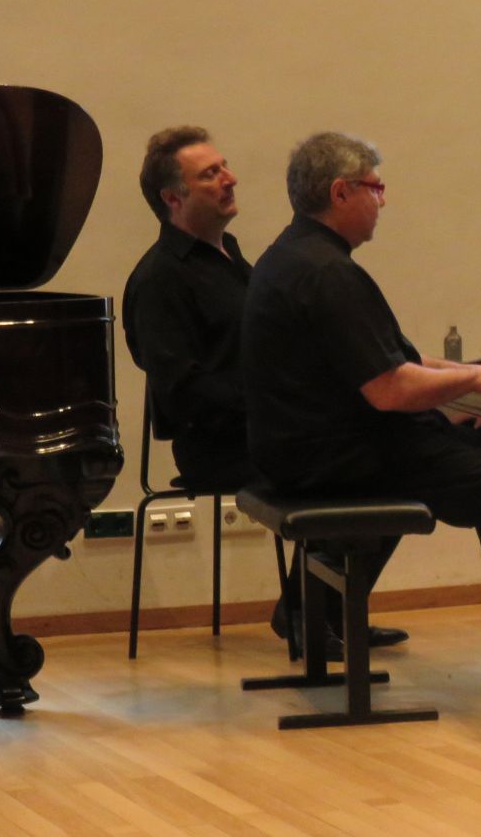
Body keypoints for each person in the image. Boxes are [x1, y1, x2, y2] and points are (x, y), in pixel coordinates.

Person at [241, 131, 481, 695]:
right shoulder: (328, 273)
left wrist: (476, 377)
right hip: (331, 457)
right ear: (341, 192)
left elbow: (399, 362)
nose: (384, 199)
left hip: (301, 445)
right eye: (375, 187)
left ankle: (313, 606)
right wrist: (479, 382)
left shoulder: (293, 256)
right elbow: (392, 390)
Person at [123, 126, 407, 656]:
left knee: (392, 444)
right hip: (220, 444)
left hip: (270, 426)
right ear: (172, 197)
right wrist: (277, 402)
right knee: (376, 458)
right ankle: (310, 614)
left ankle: (321, 611)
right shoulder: (160, 279)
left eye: (224, 166)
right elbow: (181, 390)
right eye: (210, 174)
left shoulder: (231, 256)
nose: (229, 179)